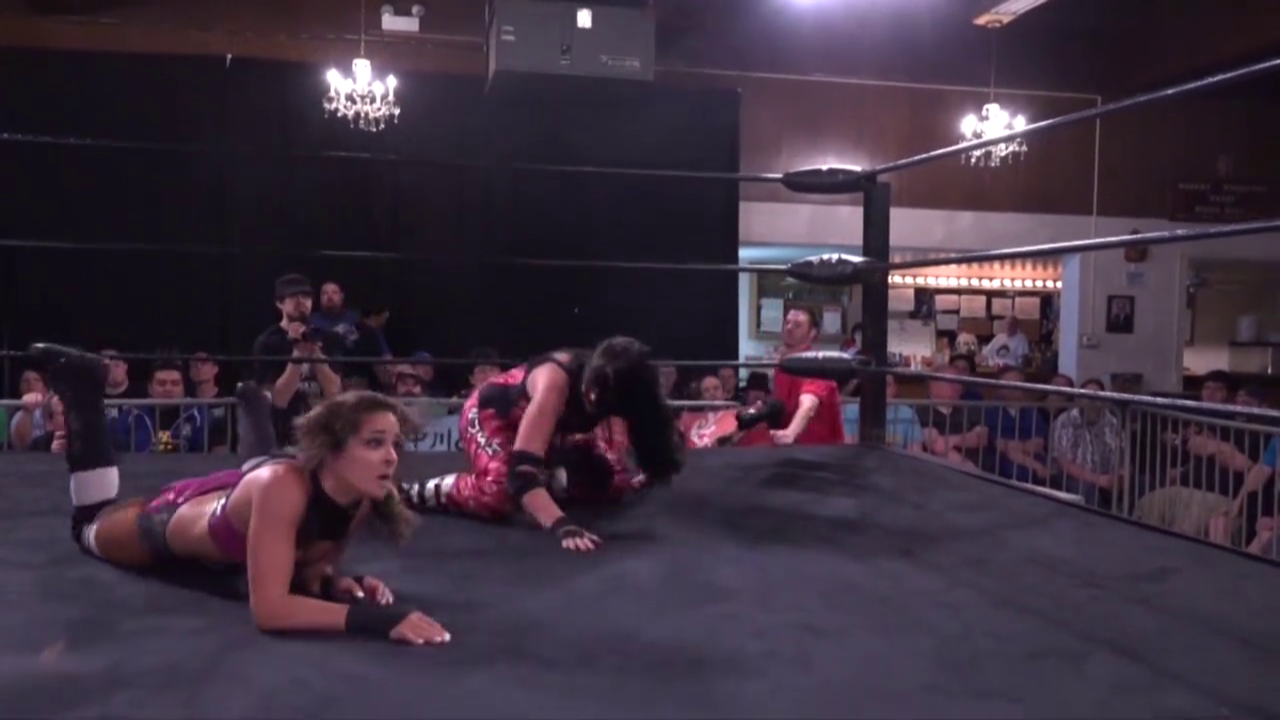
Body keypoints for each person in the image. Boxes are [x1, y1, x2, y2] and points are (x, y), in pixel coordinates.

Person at [32, 343, 449, 647]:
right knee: (87, 525)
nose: (392, 457)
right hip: (165, 522)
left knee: (260, 470)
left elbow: (307, 566)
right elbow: (270, 609)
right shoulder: (283, 487)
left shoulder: (360, 496)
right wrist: (378, 622)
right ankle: (81, 385)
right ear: (333, 450)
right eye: (375, 443)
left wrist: (336, 583)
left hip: (241, 503)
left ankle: (252, 404)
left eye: (395, 444)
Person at [398, 336, 684, 553]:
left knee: (608, 480)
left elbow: (650, 437)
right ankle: (419, 492)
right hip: (493, 414)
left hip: (552, 429)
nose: (593, 400)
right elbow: (521, 474)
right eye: (591, 394)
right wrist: (562, 525)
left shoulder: (622, 391)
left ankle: (551, 478)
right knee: (500, 493)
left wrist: (655, 467)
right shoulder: (555, 382)